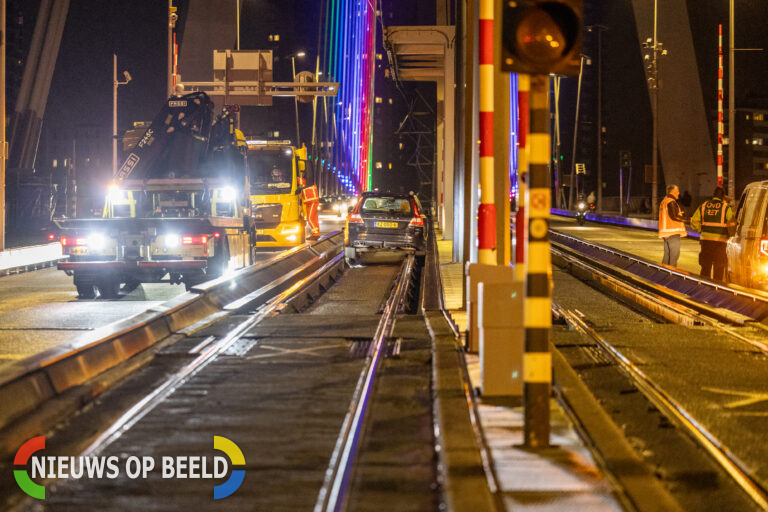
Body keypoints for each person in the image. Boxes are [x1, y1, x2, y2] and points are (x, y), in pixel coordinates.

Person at [690, 186, 735, 281]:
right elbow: (732, 224)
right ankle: (716, 288)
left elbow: (693, 221)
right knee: (719, 267)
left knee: (705, 267)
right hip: (720, 242)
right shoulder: (725, 207)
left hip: (705, 242)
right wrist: (731, 235)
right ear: (723, 196)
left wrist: (699, 229)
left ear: (713, 195)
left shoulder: (704, 206)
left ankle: (704, 287)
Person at [658, 184, 688, 267]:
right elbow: (674, 216)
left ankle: (663, 275)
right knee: (673, 258)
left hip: (666, 233)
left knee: (667, 257)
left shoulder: (664, 201)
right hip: (672, 233)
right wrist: (689, 220)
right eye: (677, 191)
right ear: (673, 191)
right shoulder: (671, 202)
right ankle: (672, 276)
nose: (678, 193)